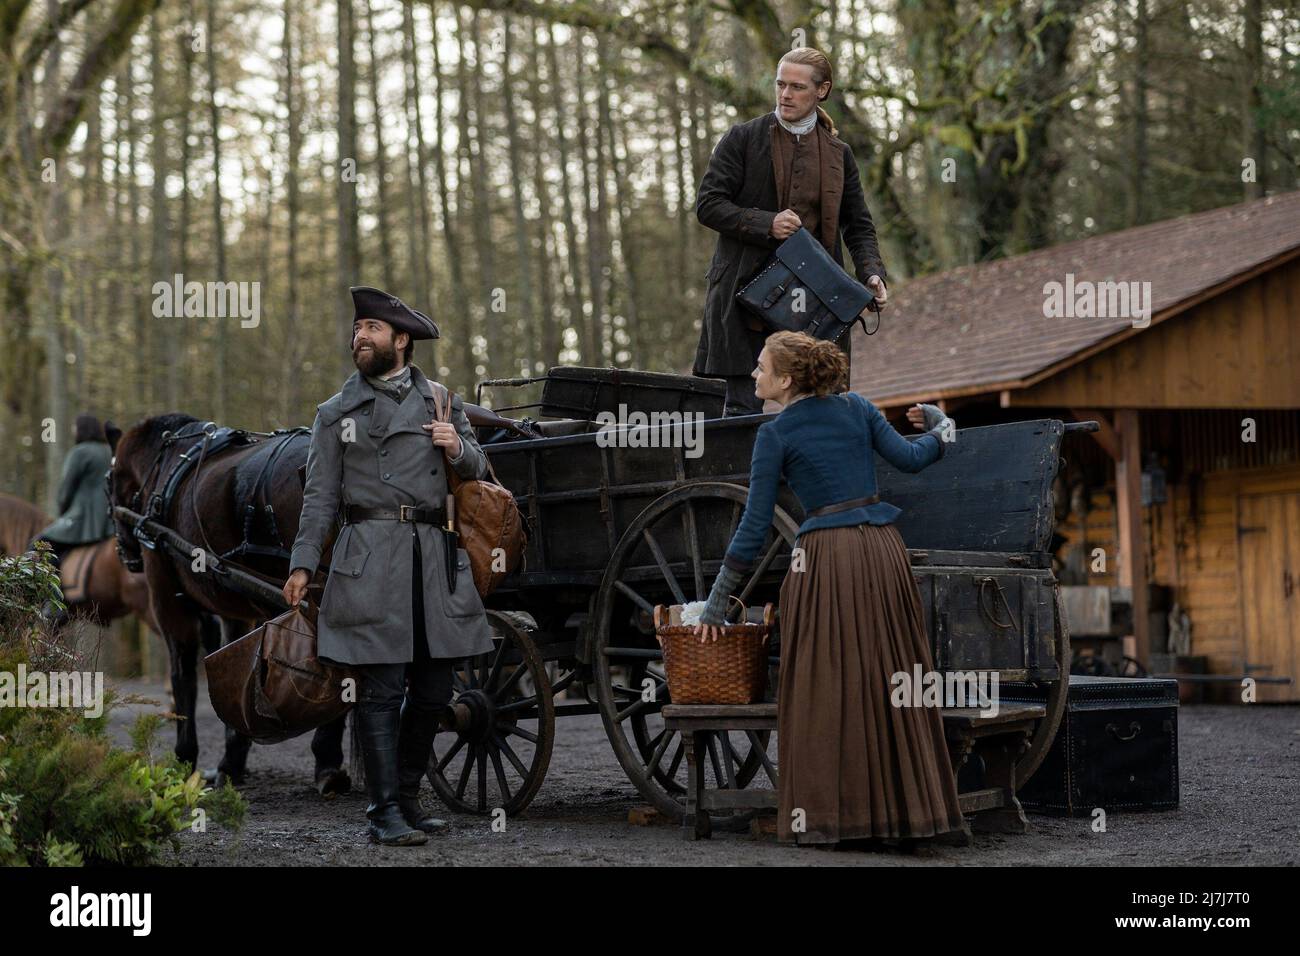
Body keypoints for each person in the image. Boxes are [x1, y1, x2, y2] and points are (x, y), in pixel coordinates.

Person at [695, 331, 966, 848]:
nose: (753, 375)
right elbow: (913, 458)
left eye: (760, 367)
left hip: (826, 561)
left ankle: (841, 819)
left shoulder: (774, 435)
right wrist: (944, 428)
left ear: (786, 379)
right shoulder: (857, 408)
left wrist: (717, 601)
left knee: (829, 684)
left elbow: (754, 528)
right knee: (893, 679)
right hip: (883, 553)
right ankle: (909, 816)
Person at [283, 286, 494, 847]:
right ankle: (382, 813)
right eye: (357, 330)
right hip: (369, 556)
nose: (359, 338)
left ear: (401, 341)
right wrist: (303, 564)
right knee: (378, 690)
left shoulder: (441, 401)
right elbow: (320, 497)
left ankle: (407, 798)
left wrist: (457, 448)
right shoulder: (335, 413)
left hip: (433, 558)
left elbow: (479, 469)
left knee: (431, 689)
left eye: (372, 330)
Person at [694, 47, 889, 416]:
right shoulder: (742, 139)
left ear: (822, 90)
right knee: (739, 416)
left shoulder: (839, 154)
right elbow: (708, 204)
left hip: (815, 303)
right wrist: (765, 222)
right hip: (742, 297)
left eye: (797, 87)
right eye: (780, 84)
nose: (785, 94)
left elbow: (858, 224)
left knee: (826, 409)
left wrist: (872, 272)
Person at [31, 413, 115, 568]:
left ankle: (48, 589)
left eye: (74, 427)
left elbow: (65, 492)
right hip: (112, 521)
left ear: (82, 429)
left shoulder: (80, 452)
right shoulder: (110, 451)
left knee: (38, 545)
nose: (73, 430)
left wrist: (62, 513)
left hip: (85, 520)